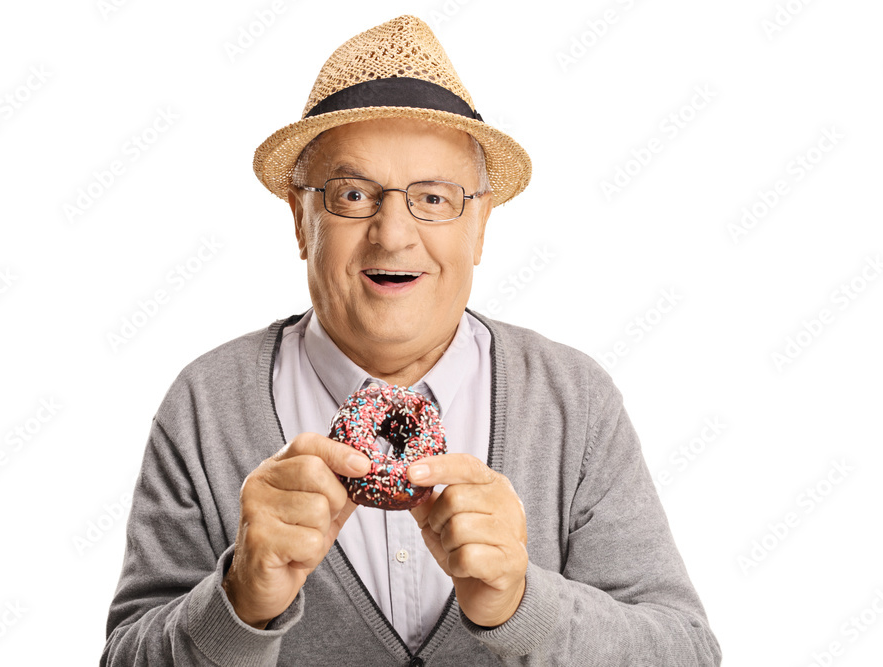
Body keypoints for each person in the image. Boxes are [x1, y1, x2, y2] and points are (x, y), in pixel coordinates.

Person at [101, 14, 721, 666]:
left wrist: (521, 602)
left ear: (480, 223)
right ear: (300, 218)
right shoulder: (206, 405)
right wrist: (238, 599)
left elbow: (687, 653)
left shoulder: (572, 400)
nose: (392, 234)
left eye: (433, 197)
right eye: (352, 193)